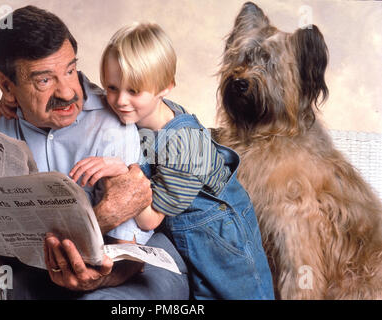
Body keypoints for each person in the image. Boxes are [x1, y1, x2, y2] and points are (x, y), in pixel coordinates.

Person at [0, 5, 189, 299]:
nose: (67, 92)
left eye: (71, 70)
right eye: (44, 80)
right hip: (44, 266)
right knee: (19, 287)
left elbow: (130, 253)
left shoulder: (112, 123)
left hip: (137, 263)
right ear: (6, 86)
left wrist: (96, 280)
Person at [70, 23, 275, 299]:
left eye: (134, 90)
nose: (119, 100)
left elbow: (149, 220)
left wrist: (121, 172)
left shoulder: (182, 147)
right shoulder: (143, 115)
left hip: (223, 238)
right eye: (112, 87)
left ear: (165, 87)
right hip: (186, 238)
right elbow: (88, 95)